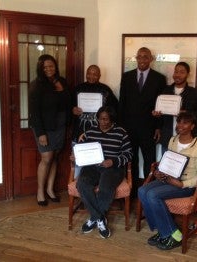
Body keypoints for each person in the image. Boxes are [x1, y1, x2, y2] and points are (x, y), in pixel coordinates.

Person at [138, 112, 197, 250]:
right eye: (179, 122)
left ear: (192, 126)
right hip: (169, 179)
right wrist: (160, 172)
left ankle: (174, 234)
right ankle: (162, 231)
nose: (180, 126)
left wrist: (182, 184)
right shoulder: (173, 140)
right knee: (142, 190)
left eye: (185, 123)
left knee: (153, 195)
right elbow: (168, 162)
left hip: (186, 185)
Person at [75, 106, 132, 239]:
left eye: (106, 119)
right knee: (82, 184)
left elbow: (129, 154)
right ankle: (99, 218)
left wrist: (113, 161)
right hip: (92, 167)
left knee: (106, 185)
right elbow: (81, 149)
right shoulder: (90, 132)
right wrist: (75, 156)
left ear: (112, 119)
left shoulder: (121, 132)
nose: (103, 122)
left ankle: (94, 218)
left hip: (113, 168)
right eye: (100, 119)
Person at [118, 47, 167, 194]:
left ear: (151, 59)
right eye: (139, 57)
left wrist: (158, 127)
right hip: (129, 128)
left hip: (149, 127)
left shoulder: (159, 78)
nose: (142, 60)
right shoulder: (126, 77)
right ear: (136, 58)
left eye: (145, 57)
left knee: (149, 161)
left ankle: (147, 190)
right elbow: (122, 103)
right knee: (131, 160)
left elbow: (161, 106)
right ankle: (132, 192)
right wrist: (121, 128)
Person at [29, 54, 71, 206]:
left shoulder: (62, 81)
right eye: (45, 67)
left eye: (51, 66)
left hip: (60, 125)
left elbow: (68, 102)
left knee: (54, 157)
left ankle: (50, 190)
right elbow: (34, 112)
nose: (48, 69)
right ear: (40, 68)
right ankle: (40, 192)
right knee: (46, 157)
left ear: (55, 66)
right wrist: (40, 133)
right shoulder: (36, 85)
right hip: (44, 127)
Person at [71, 65, 118, 177]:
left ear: (99, 75)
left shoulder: (105, 90)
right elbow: (68, 106)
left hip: (100, 134)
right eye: (89, 73)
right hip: (79, 132)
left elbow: (115, 109)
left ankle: (94, 184)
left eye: (95, 74)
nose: (91, 76)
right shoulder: (78, 89)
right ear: (86, 74)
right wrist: (72, 110)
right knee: (79, 161)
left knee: (97, 160)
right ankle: (78, 187)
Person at [152, 61, 197, 153]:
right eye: (176, 71)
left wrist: (187, 113)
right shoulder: (165, 91)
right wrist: (157, 115)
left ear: (187, 74)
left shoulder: (194, 93)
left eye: (182, 72)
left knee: (187, 166)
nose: (178, 75)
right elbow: (161, 116)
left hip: (187, 140)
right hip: (168, 138)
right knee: (167, 166)